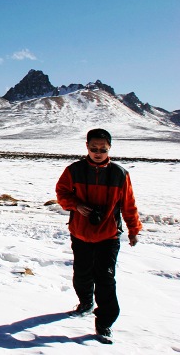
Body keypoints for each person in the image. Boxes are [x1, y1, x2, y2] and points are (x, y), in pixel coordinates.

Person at [55, 128, 141, 343]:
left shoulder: (120, 174)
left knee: (105, 278)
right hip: (81, 233)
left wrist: (133, 229)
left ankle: (104, 323)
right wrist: (76, 205)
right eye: (94, 148)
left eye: (102, 149)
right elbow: (61, 193)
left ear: (109, 148)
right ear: (87, 147)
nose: (98, 152)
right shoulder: (74, 170)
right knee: (82, 273)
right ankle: (85, 302)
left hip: (108, 236)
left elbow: (128, 205)